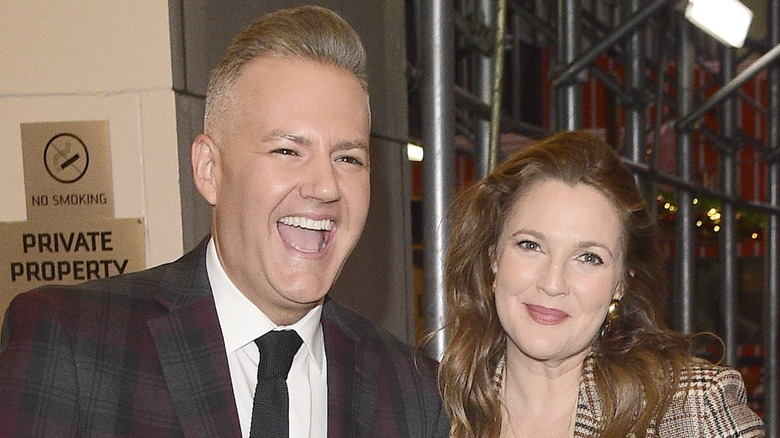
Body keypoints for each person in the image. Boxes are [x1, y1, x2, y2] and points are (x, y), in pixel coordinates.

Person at [0, 6, 448, 437]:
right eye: (288, 151)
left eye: (348, 157)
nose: (325, 186)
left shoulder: (415, 394)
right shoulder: (74, 340)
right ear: (209, 169)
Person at [438, 131, 764, 437]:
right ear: (493, 257)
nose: (553, 283)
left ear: (621, 282)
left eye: (589, 258)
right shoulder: (437, 409)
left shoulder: (691, 409)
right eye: (530, 245)